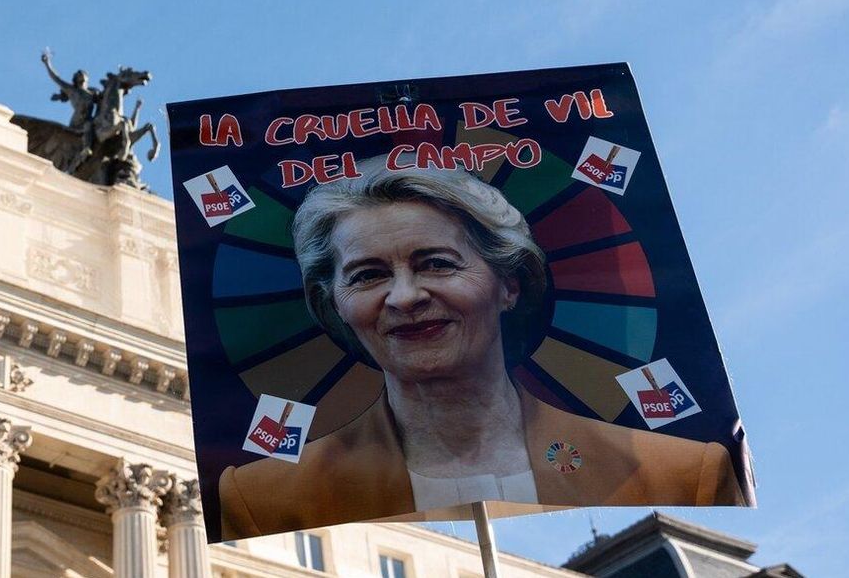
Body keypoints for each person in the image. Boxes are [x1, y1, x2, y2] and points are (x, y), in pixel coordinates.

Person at [218, 164, 744, 539]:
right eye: (368, 275)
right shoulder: (264, 498)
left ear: (509, 283)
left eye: (437, 264)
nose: (404, 297)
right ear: (333, 305)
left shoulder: (680, 471)